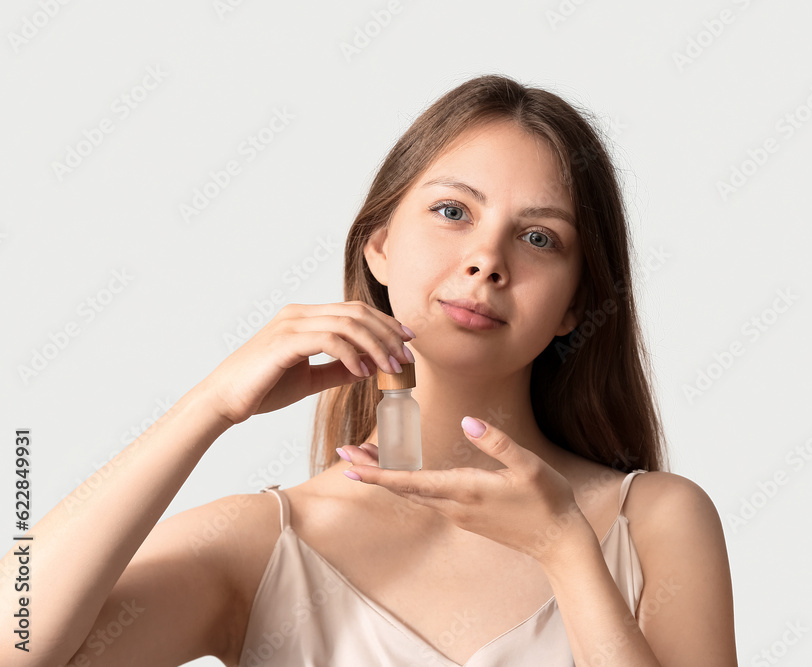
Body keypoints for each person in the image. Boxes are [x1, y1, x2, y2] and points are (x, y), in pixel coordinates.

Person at [1, 74, 737, 666]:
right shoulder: (267, 541)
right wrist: (209, 406)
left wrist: (564, 550)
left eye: (540, 236)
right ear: (378, 247)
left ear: (576, 305)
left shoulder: (656, 521)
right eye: (453, 211)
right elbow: (16, 638)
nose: (487, 258)